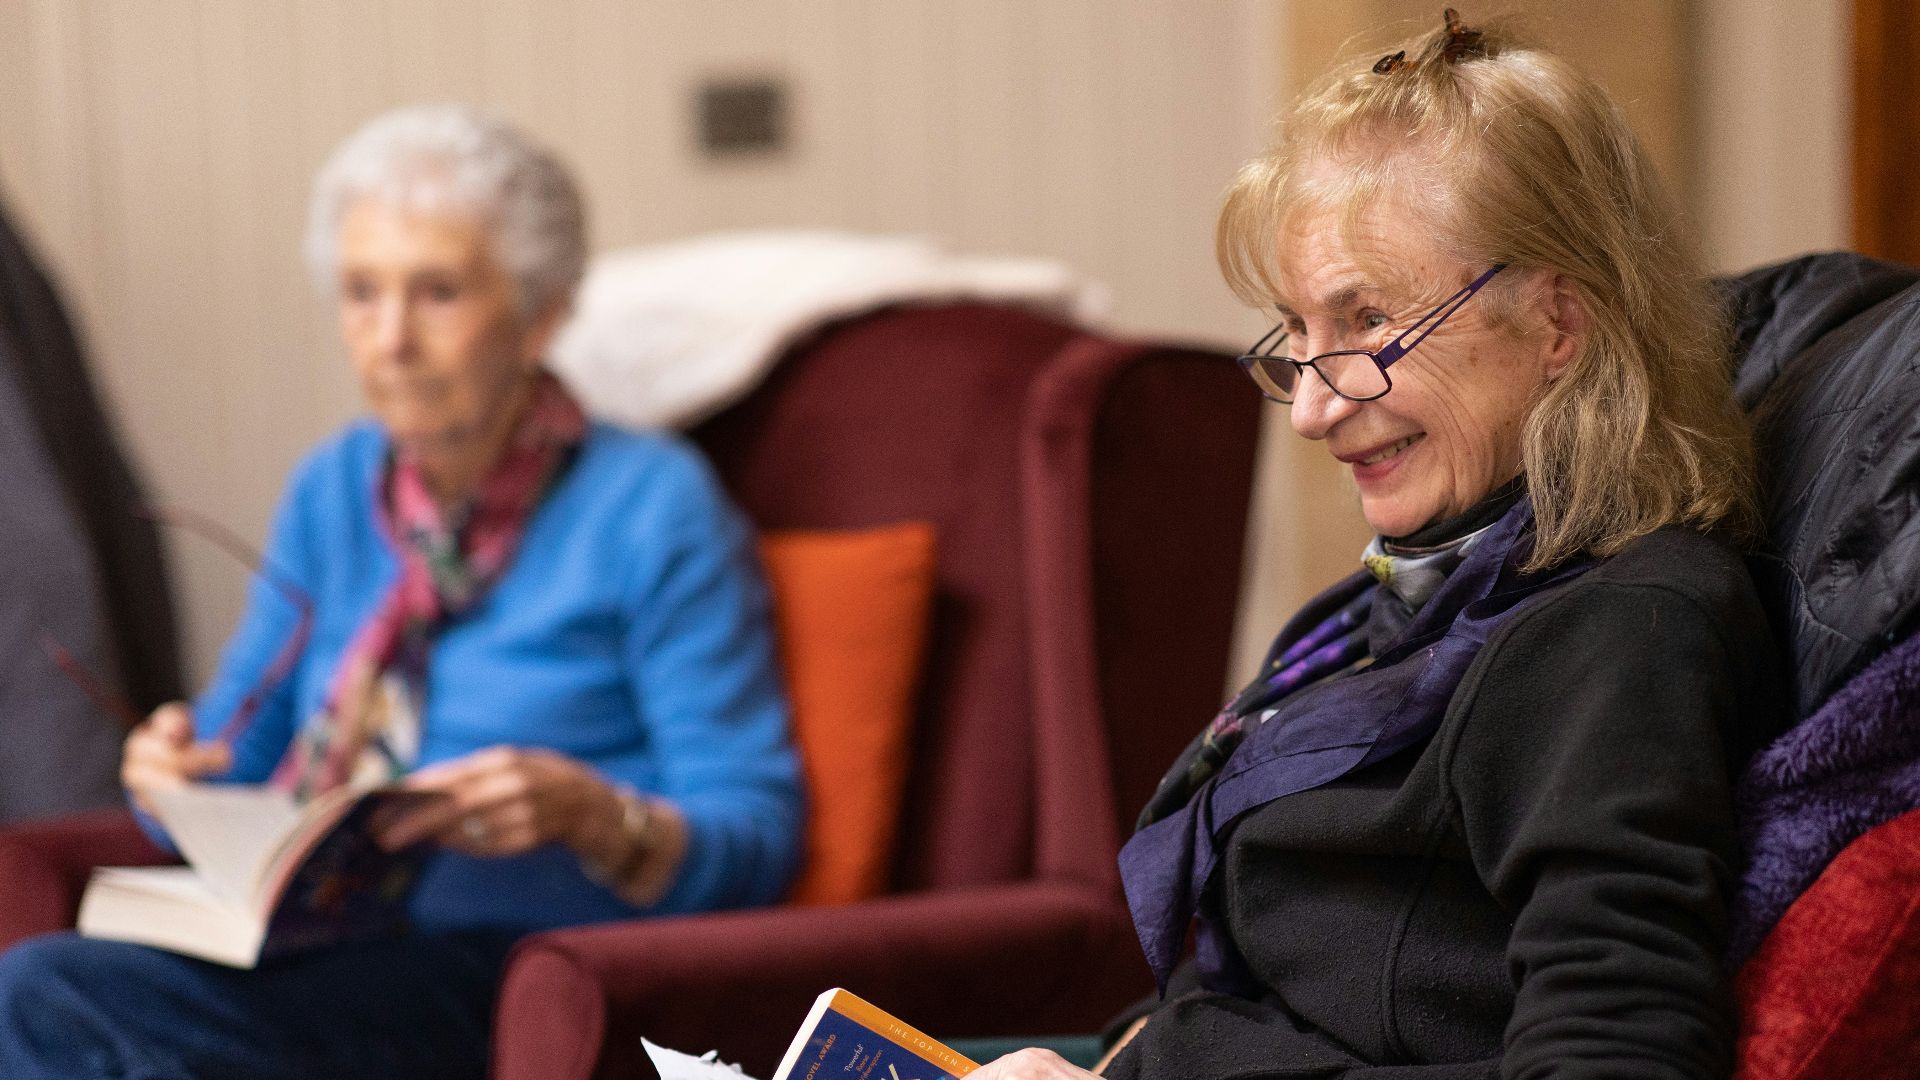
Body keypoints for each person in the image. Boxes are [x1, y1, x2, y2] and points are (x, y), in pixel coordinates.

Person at [973, 11, 1785, 1079]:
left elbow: (1610, 1055)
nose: (1309, 411)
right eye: (1298, 333)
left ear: (1559, 327)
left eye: (1367, 324)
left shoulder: (1618, 633)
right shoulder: (1441, 583)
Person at [0, 105, 802, 1079]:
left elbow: (757, 838)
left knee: (51, 998)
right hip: (325, 955)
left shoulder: (651, 505)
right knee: (66, 993)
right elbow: (235, 760)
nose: (390, 340)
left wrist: (594, 815)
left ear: (540, 311)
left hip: (529, 972)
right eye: (361, 293)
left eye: (438, 293)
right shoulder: (334, 489)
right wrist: (169, 775)